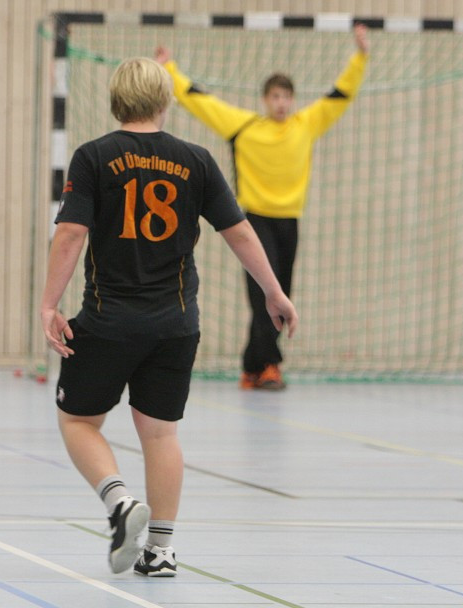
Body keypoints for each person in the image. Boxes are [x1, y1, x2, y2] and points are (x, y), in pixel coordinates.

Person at [40, 57, 297, 577]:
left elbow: (70, 234)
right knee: (160, 434)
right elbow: (240, 232)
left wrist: (49, 304)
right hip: (175, 324)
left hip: (109, 320)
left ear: (116, 101)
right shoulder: (196, 160)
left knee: (77, 420)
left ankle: (119, 503)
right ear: (165, 101)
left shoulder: (93, 158)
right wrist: (274, 291)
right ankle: (160, 550)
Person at [155, 26, 368, 390]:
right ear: (265, 100)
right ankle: (268, 364)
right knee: (262, 296)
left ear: (293, 100)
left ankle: (253, 366)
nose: (281, 103)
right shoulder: (245, 127)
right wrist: (169, 69)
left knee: (282, 293)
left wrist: (360, 56)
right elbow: (201, 100)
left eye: (287, 97)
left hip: (290, 221)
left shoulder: (306, 125)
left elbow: (340, 94)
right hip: (253, 222)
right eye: (275, 96)